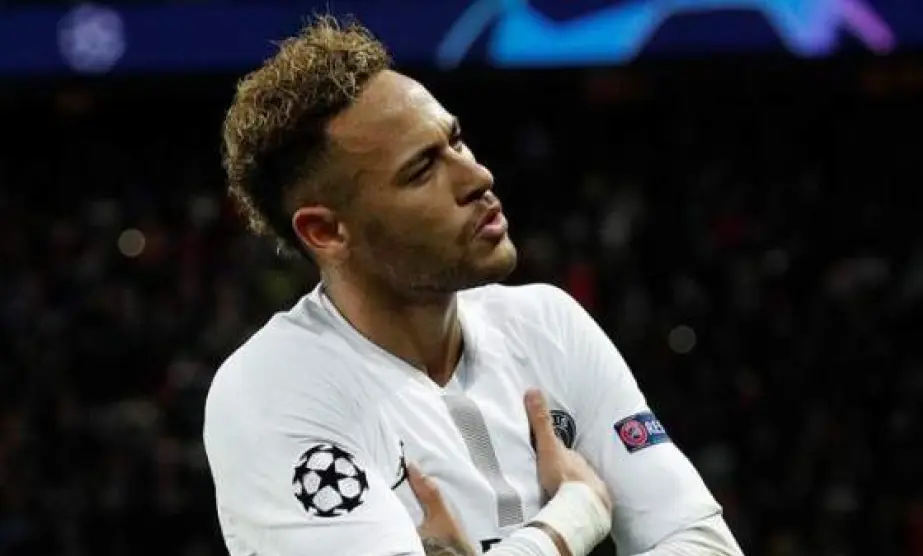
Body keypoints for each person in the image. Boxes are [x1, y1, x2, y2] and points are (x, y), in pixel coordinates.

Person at [203, 15, 744, 556]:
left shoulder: (548, 325)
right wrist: (572, 517)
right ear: (325, 231)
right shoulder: (272, 390)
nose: (477, 177)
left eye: (456, 141)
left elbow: (704, 543)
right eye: (422, 170)